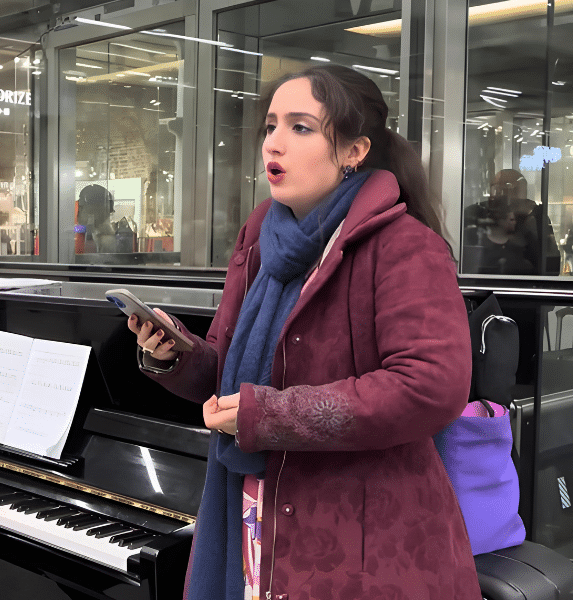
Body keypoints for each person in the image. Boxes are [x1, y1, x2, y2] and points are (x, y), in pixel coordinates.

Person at [128, 65, 480, 600]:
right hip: (248, 508)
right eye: (270, 126)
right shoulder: (259, 237)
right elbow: (227, 368)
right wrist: (176, 355)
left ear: (354, 150)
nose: (274, 143)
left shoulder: (402, 245)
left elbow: (431, 386)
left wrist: (268, 415)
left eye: (300, 127)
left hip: (356, 535)